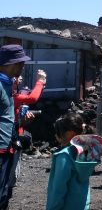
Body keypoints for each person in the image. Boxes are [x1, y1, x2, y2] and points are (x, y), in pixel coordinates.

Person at [46, 112, 102, 210]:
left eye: (58, 132)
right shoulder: (87, 152)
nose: (56, 135)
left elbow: (58, 189)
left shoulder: (64, 156)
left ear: (70, 133)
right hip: (82, 205)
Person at [0, 45, 30, 209]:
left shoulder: (7, 84)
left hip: (6, 147)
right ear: (12, 63)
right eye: (21, 63)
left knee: (4, 193)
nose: (23, 67)